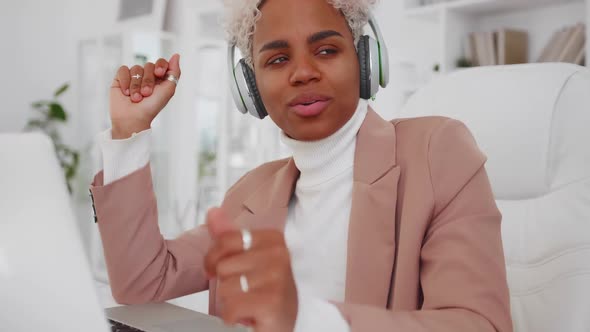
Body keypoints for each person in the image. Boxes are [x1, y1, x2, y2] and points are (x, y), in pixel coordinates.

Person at [89, 0, 513, 331]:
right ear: (249, 87)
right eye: (277, 60)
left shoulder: (436, 152)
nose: (303, 73)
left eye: (326, 50)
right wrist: (129, 134)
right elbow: (145, 283)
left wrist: (304, 321)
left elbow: (478, 325)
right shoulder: (250, 194)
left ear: (366, 60)